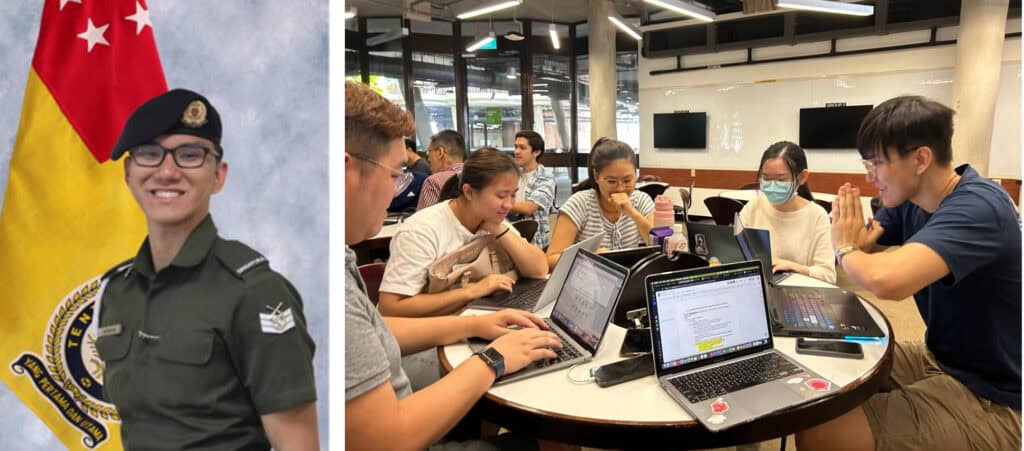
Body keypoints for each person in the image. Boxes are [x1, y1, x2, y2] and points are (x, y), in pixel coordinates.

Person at [93, 89, 318, 450]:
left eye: (189, 155)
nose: (167, 171)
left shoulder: (255, 292)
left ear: (218, 176)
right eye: (149, 154)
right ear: (129, 172)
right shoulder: (118, 293)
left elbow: (298, 444)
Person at [797, 95, 1021, 451]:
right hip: (940, 355)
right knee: (818, 372)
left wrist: (843, 247)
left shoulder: (980, 206)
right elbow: (867, 244)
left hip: (994, 393)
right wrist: (851, 238)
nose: (869, 176)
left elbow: (886, 280)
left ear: (920, 159)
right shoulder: (910, 201)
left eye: (876, 164)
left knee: (823, 431)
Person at [345, 80, 560, 450]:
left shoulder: (339, 257)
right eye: (396, 174)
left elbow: (377, 330)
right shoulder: (325, 284)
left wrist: (476, 324)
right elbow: (387, 439)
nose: (398, 191)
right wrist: (491, 359)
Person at [379, 148, 549, 318]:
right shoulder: (421, 230)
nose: (509, 205)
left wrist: (499, 229)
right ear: (468, 192)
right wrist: (473, 291)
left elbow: (539, 270)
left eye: (513, 195)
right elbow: (391, 308)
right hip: (434, 334)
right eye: (501, 195)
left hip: (482, 319)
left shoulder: (492, 219)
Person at [546, 138, 654, 269]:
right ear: (596, 176)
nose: (620, 188)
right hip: (586, 283)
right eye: (611, 181)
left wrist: (633, 213)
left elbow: (659, 246)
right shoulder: (580, 203)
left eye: (627, 180)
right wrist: (589, 258)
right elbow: (550, 260)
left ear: (636, 175)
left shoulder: (642, 200)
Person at [738, 141, 836, 283]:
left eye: (781, 179)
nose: (772, 185)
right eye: (766, 178)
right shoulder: (753, 207)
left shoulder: (817, 216)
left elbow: (828, 275)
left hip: (799, 294)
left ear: (802, 177)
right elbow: (738, 252)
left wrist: (794, 268)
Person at [508, 130, 556, 249]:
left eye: (522, 148)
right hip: (511, 236)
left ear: (536, 152)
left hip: (534, 243)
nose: (517, 152)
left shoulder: (545, 176)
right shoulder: (512, 173)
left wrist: (497, 203)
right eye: (516, 147)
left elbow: (529, 207)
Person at [417, 129, 467, 210]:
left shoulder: (433, 182)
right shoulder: (478, 177)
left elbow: (424, 221)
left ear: (440, 152)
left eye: (429, 152)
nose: (428, 159)